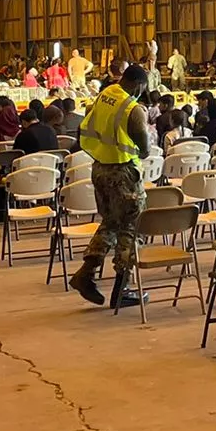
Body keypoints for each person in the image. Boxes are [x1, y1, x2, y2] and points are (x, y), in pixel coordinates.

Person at [69, 65, 152, 309]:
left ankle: (86, 273)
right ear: (138, 85)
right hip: (123, 173)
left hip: (100, 168)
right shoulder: (132, 109)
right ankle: (122, 288)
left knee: (110, 223)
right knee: (130, 227)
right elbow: (144, 146)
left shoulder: (103, 96)